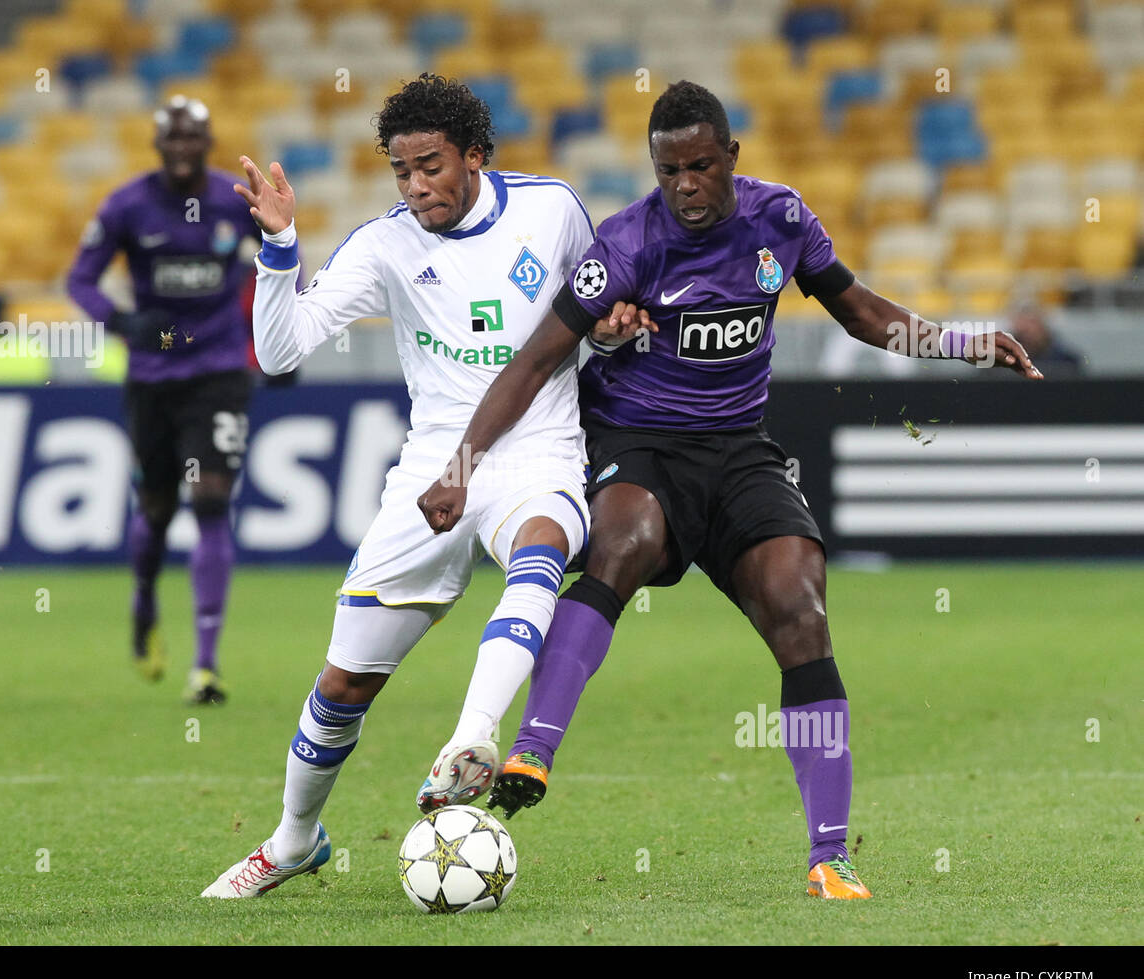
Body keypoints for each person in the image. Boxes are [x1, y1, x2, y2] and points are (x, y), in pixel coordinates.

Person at [419, 81, 1042, 900]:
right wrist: (463, 464)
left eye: (701, 166)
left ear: (731, 158)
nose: (686, 185)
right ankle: (534, 745)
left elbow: (859, 311)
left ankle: (829, 855)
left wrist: (960, 344)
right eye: (669, 169)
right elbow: (535, 360)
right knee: (626, 541)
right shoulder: (626, 244)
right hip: (640, 443)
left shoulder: (779, 220)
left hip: (741, 449)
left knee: (800, 604)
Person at [201, 74, 613, 899]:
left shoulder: (554, 210)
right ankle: (292, 840)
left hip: (538, 449)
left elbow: (594, 314)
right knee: (344, 683)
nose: (416, 184)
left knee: (542, 549)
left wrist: (614, 329)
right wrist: (280, 250)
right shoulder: (385, 244)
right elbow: (281, 353)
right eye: (400, 170)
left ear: (475, 156)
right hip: (433, 467)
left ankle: (471, 738)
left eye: (430, 165)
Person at [67, 95, 259, 705]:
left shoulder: (235, 199)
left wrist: (279, 328)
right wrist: (119, 322)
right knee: (154, 509)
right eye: (171, 139)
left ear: (206, 144)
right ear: (158, 145)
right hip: (151, 376)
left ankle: (206, 665)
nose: (181, 150)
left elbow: (288, 256)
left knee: (210, 499)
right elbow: (79, 278)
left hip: (219, 371)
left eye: (191, 139)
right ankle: (145, 598)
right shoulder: (128, 204)